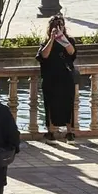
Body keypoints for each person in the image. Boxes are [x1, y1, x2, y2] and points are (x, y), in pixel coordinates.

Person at [37, 14, 78, 142]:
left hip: (65, 78)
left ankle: (69, 132)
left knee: (67, 105)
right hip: (50, 79)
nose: (57, 27)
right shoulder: (45, 42)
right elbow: (44, 55)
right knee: (50, 105)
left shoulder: (69, 40)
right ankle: (51, 132)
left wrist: (61, 38)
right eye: (54, 26)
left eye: (59, 25)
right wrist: (52, 39)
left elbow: (71, 52)